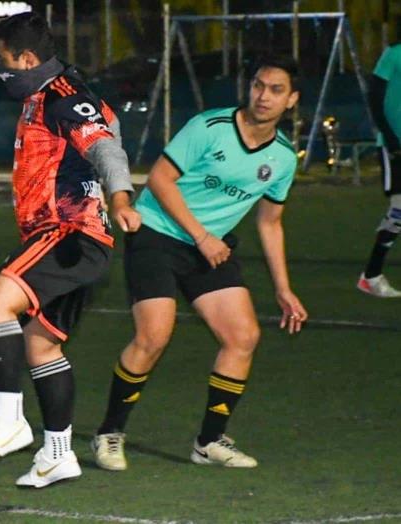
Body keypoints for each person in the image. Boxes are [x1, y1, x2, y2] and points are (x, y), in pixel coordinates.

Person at [91, 55, 308, 471]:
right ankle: (109, 432)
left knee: (243, 336)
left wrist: (283, 288)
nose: (263, 96)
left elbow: (271, 221)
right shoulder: (210, 127)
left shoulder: (283, 158)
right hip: (156, 233)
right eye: (259, 85)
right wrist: (202, 235)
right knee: (153, 336)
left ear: (292, 100)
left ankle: (208, 442)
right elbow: (158, 179)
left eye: (276, 90)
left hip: (210, 247)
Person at [0, 12, 141, 488]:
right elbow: (111, 126)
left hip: (68, 235)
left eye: (4, 61)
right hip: (81, 245)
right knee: (41, 344)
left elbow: (106, 147)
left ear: (28, 58)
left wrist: (119, 194)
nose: (0, 70)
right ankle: (58, 454)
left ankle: (9, 420)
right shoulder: (52, 93)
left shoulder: (63, 97)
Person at [357, 42, 401, 298]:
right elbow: (375, 96)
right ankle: (371, 276)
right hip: (394, 146)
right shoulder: (393, 54)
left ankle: (371, 276)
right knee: (399, 210)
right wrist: (389, 136)